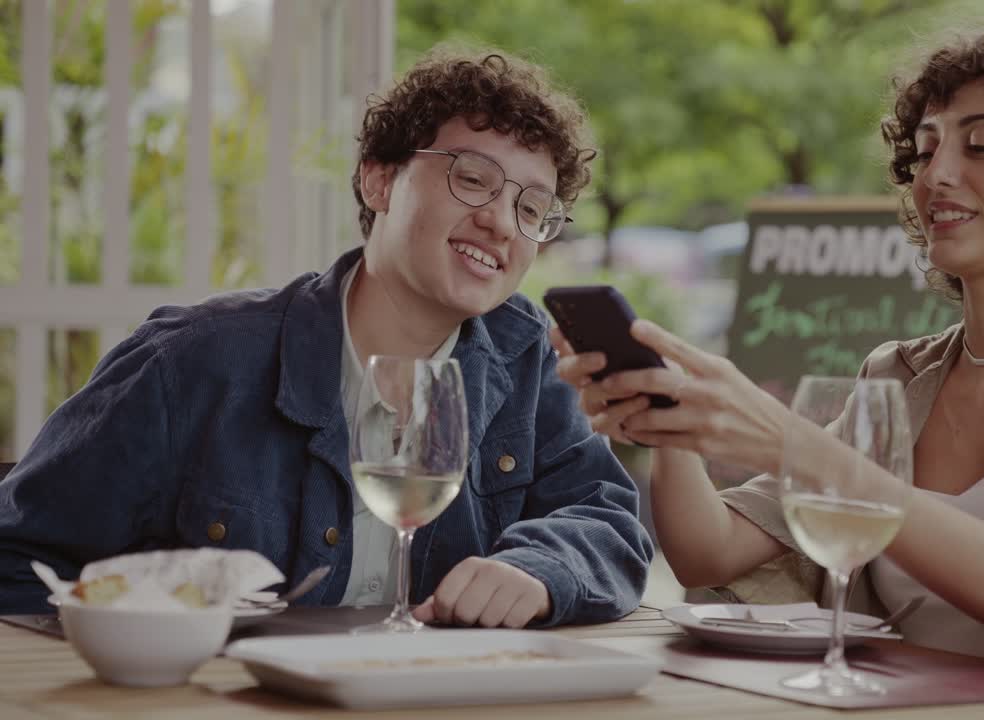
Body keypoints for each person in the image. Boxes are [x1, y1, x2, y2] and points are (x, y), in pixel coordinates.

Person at [553, 29, 984, 690]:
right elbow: (711, 551)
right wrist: (674, 419)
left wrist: (789, 441)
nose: (936, 175)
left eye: (981, 145)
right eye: (925, 151)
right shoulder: (898, 377)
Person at [0, 46, 653, 628]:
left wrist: (540, 571)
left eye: (531, 208)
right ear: (379, 179)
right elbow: (18, 555)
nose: (501, 224)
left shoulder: (525, 357)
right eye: (472, 179)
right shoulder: (193, 360)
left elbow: (609, 524)